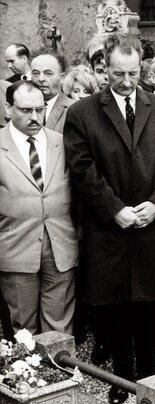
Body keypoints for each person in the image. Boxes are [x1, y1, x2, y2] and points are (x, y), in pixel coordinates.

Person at [64, 34, 155, 404]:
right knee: (113, 307)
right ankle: (121, 375)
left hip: (152, 226)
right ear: (105, 69)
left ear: (142, 69)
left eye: (133, 73)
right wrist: (115, 208)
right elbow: (82, 170)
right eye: (118, 73)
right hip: (108, 229)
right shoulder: (82, 113)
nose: (126, 81)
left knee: (149, 305)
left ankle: (149, 373)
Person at [0, 80, 78, 335]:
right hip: (16, 249)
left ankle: (64, 373)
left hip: (60, 246)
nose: (35, 117)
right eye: (25, 110)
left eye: (40, 109)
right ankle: (28, 375)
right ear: (8, 108)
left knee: (60, 325)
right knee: (23, 329)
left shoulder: (62, 143)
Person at [30, 53, 75, 133]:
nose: (41, 79)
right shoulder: (21, 107)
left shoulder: (74, 109)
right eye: (36, 73)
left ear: (62, 78)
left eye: (48, 73)